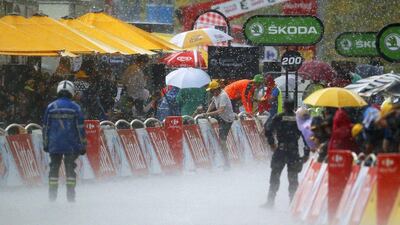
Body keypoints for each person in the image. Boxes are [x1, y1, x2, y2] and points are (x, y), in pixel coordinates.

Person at [43, 80, 86, 202]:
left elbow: (46, 128)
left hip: (54, 144)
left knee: (54, 168)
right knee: (70, 170)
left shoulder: (50, 107)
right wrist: (83, 145)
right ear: (71, 92)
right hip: (71, 145)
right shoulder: (75, 108)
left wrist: (46, 144)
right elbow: (80, 129)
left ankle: (52, 197)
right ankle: (71, 197)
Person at [263, 99, 309, 208]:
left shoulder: (278, 117)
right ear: (293, 107)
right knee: (293, 178)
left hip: (281, 150)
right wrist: (306, 153)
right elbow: (306, 136)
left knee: (275, 176)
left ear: (284, 106)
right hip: (293, 152)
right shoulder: (298, 119)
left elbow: (268, 129)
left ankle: (270, 201)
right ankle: (293, 203)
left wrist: (272, 144)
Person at [200, 80, 235, 169]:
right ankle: (222, 159)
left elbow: (221, 110)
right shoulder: (215, 95)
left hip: (227, 119)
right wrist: (207, 111)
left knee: (222, 141)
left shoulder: (223, 96)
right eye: (211, 91)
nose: (212, 93)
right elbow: (212, 103)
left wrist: (208, 114)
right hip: (221, 117)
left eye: (212, 91)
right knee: (220, 140)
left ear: (217, 89)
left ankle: (227, 162)